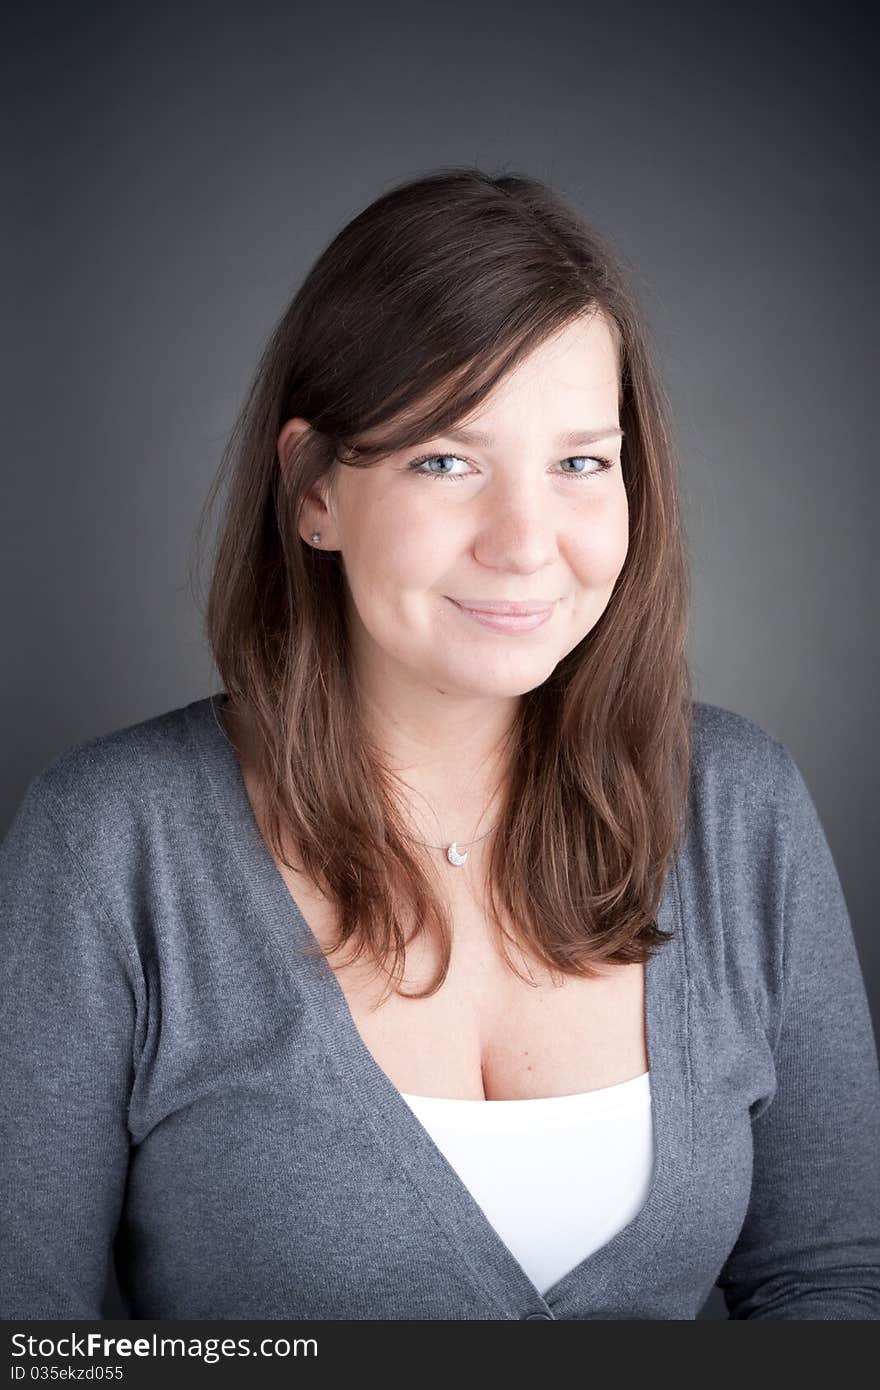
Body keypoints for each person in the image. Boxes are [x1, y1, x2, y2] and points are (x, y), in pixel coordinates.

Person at [2, 167, 879, 1322]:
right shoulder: (112, 840)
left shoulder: (739, 806)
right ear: (314, 490)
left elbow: (835, 1282)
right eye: (445, 460)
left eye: (579, 463)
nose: (525, 544)